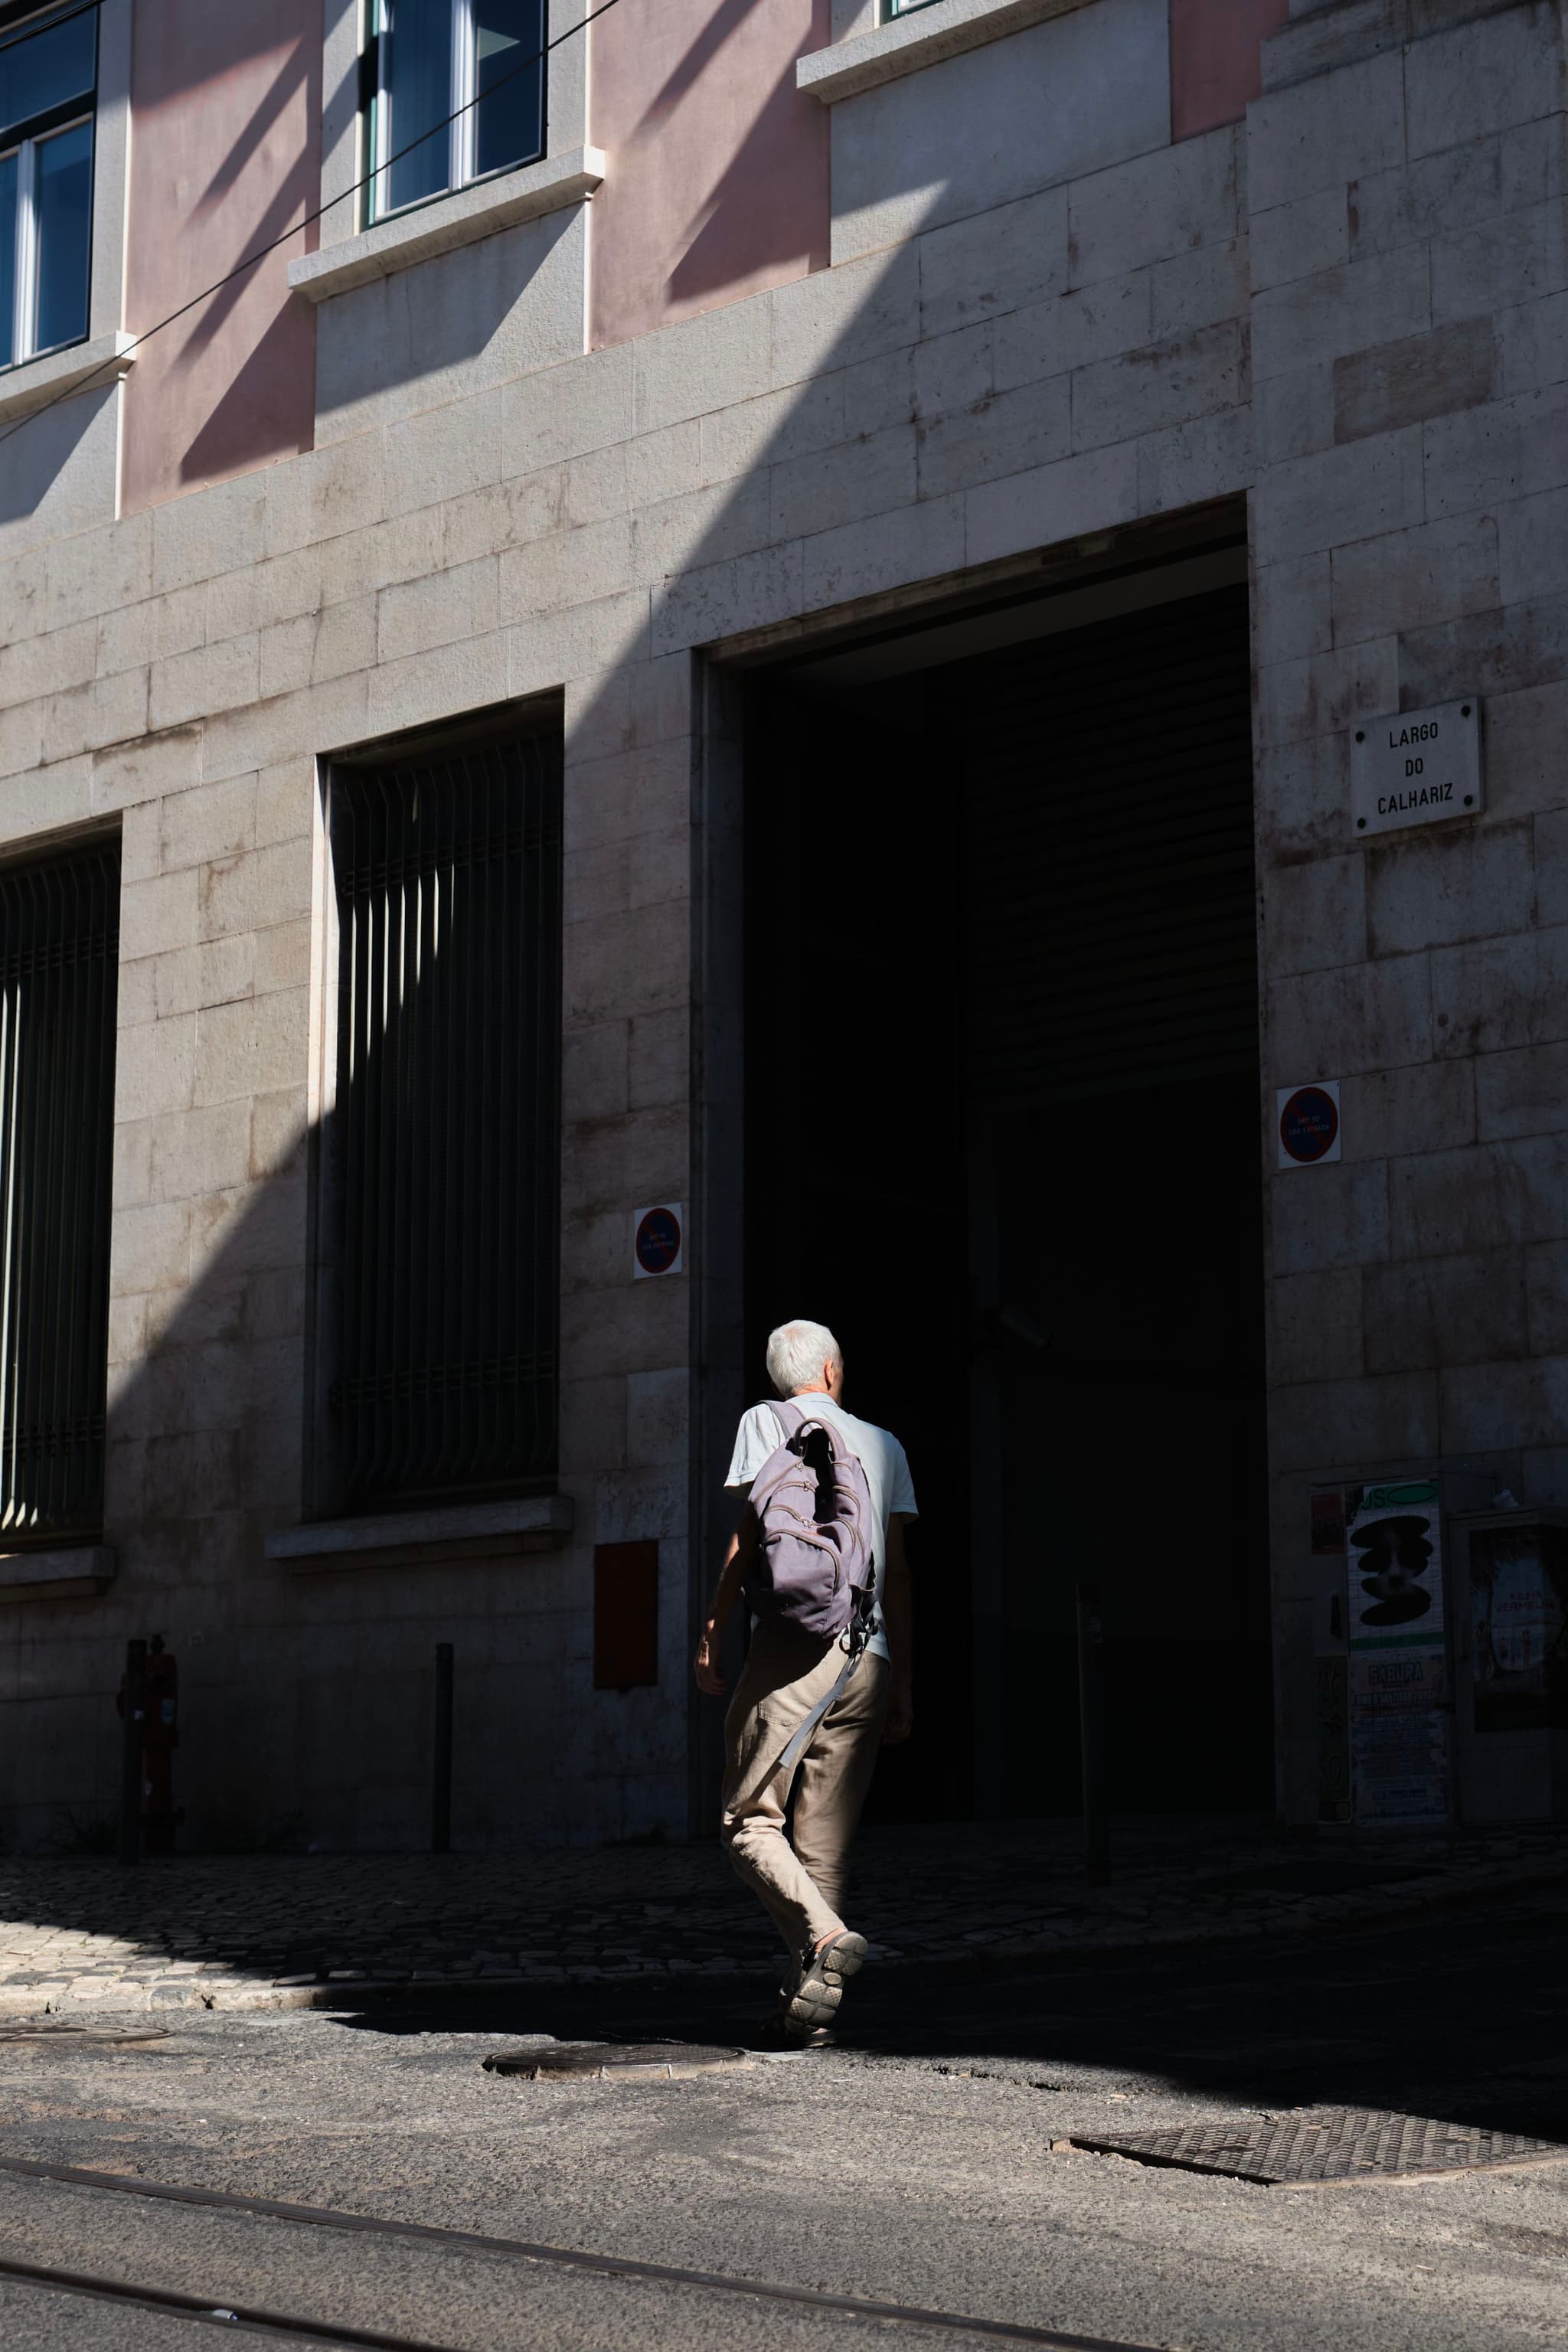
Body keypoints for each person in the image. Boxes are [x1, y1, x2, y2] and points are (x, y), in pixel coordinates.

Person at [694, 1319, 916, 2043]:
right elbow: (902, 1575)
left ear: (782, 1377)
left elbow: (747, 1540)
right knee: (822, 1847)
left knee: (747, 1818)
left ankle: (823, 1941)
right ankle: (808, 2010)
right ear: (832, 1371)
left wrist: (712, 1631)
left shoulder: (766, 1421)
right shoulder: (885, 1444)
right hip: (869, 1656)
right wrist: (902, 1678)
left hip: (793, 1651)